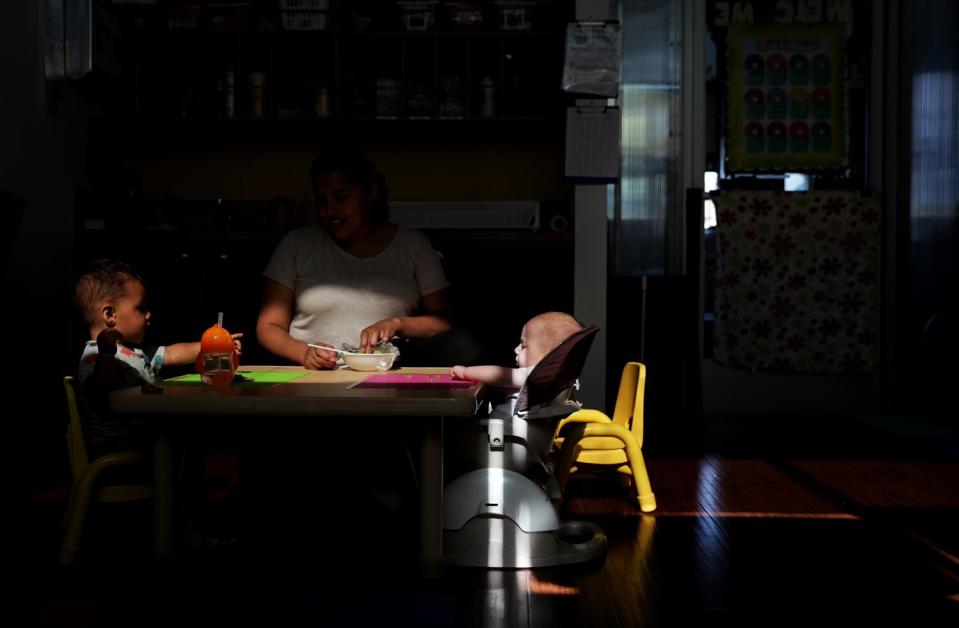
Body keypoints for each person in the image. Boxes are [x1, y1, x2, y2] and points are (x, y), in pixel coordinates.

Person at [256, 145, 481, 369]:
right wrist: (304, 354)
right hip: (313, 376)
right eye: (322, 201)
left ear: (371, 191)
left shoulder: (413, 245)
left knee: (463, 345)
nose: (330, 211)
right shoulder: (297, 245)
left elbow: (443, 322)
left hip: (389, 374)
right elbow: (269, 325)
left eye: (341, 198)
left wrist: (396, 324)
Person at [74, 259, 243, 456]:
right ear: (110, 314)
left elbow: (172, 353)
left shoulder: (134, 352)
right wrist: (105, 356)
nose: (148, 315)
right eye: (141, 308)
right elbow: (102, 387)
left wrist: (213, 345)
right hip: (122, 452)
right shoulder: (94, 356)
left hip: (150, 441)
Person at [450, 311, 582, 416]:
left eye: (524, 346)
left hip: (504, 439)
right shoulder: (557, 377)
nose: (516, 349)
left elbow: (498, 375)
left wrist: (465, 372)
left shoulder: (536, 375)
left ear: (548, 355)